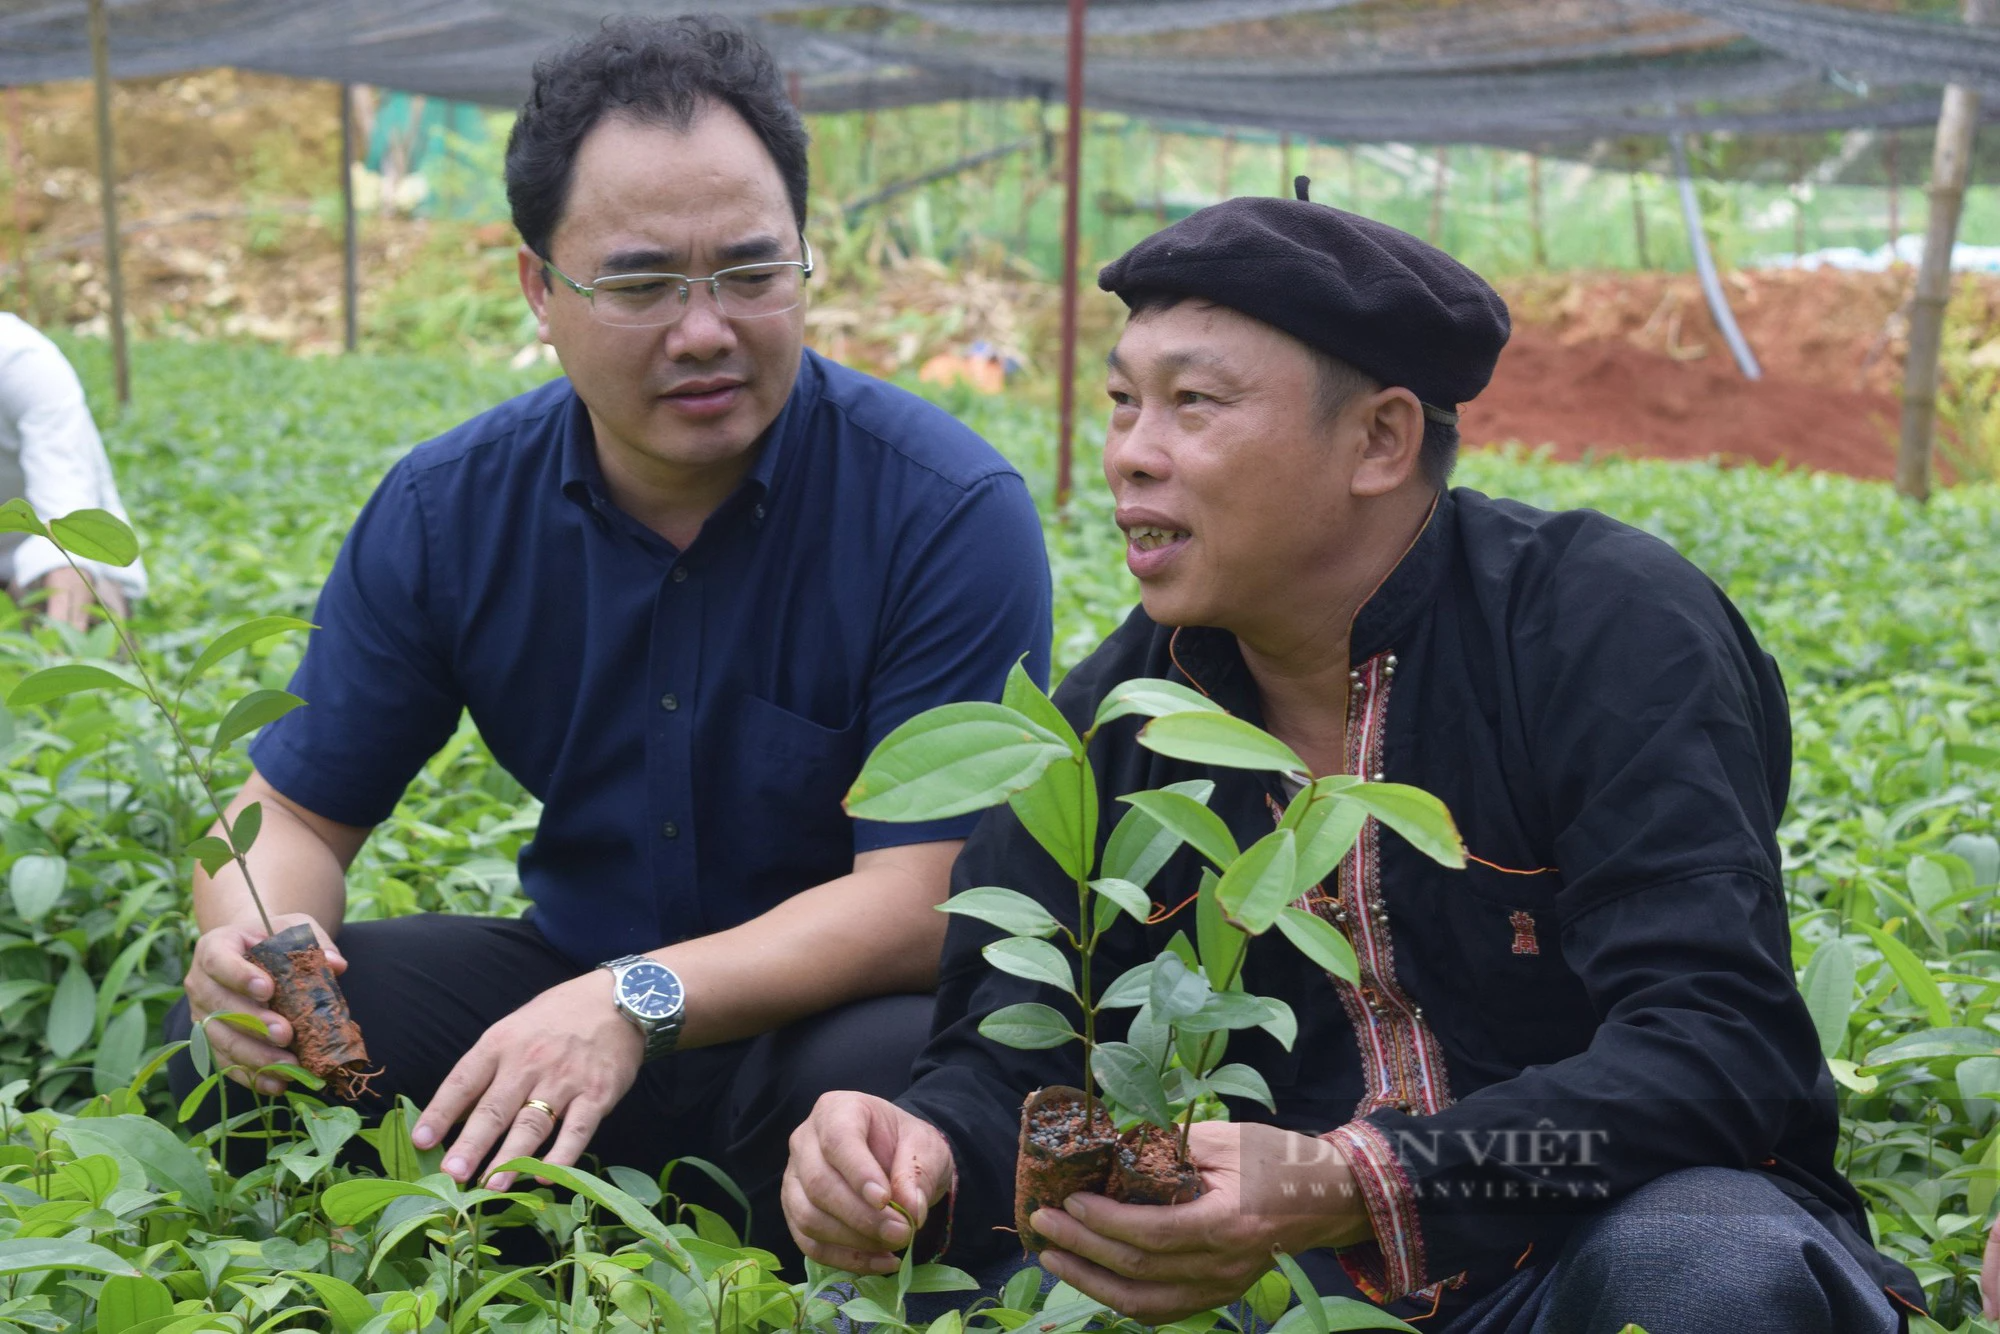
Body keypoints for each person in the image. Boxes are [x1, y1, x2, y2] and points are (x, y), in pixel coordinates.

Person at [782, 187, 1928, 1331]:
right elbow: (1009, 1062)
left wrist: (1350, 1180)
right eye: (1123, 401)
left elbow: (1717, 1052)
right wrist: (915, 1153)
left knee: (1708, 1271)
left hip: (1583, 1251)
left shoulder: (1602, 627)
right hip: (1281, 1300)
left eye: (1191, 403)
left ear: (1378, 438)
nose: (1130, 452)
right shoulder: (1110, 724)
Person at [164, 14, 1050, 1263]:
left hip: (824, 1026)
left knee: (917, 1082)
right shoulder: (447, 509)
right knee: (246, 1033)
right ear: (541, 287)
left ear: (806, 256)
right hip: (563, 985)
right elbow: (289, 818)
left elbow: (918, 900)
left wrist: (635, 999)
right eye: (641, 284)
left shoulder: (943, 512)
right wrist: (261, 952)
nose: (706, 329)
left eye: (752, 273)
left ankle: (768, 1238)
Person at [0, 313, 148, 626]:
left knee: (78, 605)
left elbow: (67, 526)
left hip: (40, 570)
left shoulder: (25, 364)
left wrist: (60, 657)